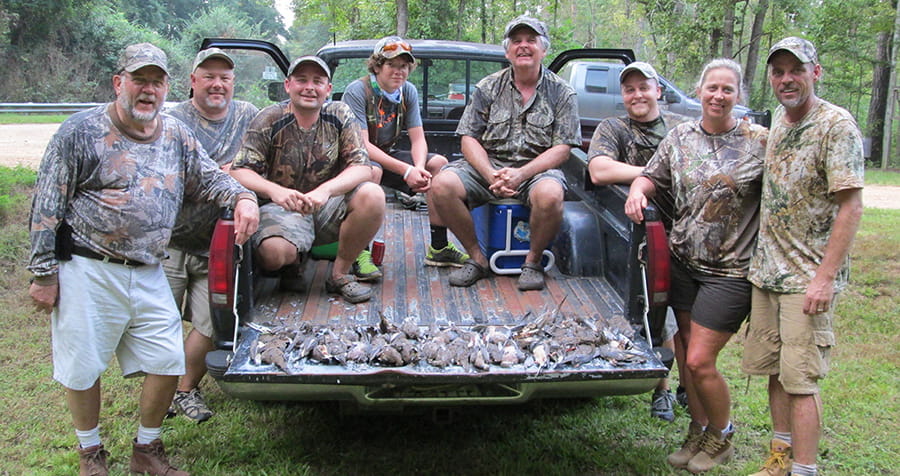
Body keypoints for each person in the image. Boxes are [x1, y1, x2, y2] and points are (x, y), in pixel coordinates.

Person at [26, 43, 259, 476]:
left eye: (156, 81)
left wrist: (243, 197)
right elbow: (46, 206)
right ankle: (90, 454)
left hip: (150, 266)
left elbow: (211, 178)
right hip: (87, 266)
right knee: (83, 366)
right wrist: (43, 273)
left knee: (168, 360)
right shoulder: (79, 132)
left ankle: (146, 450)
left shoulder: (175, 134)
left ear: (167, 87)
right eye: (139, 80)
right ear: (119, 83)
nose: (148, 90)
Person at [624, 58, 767, 473]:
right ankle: (698, 430)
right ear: (699, 91)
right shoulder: (680, 136)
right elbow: (651, 176)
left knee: (701, 361)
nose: (718, 96)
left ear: (738, 95)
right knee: (688, 360)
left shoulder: (759, 140)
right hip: (685, 261)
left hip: (731, 271)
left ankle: (722, 435)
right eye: (711, 88)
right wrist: (637, 191)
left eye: (727, 89)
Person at [743, 37, 864, 476]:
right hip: (768, 273)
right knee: (776, 372)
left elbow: (851, 205)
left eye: (796, 69)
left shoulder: (836, 125)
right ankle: (780, 459)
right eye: (778, 72)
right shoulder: (779, 117)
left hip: (805, 280)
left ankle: (805, 470)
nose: (786, 79)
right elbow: (775, 147)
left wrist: (824, 278)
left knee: (801, 381)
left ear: (816, 72)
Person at [430, 15, 581, 291]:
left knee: (551, 195)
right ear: (507, 50)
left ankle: (532, 263)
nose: (523, 46)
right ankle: (478, 260)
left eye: (531, 41)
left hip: (536, 171)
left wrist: (521, 174)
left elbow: (563, 148)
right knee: (441, 185)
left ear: (543, 49)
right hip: (489, 167)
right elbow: (468, 139)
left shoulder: (562, 93)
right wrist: (490, 174)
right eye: (516, 41)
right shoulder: (488, 87)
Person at [230, 56, 385, 304]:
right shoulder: (269, 118)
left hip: (326, 205)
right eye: (301, 80)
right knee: (273, 254)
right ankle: (292, 262)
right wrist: (275, 192)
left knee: (373, 194)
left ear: (328, 89)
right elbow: (239, 170)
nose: (309, 87)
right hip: (282, 208)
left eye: (317, 81)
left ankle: (340, 275)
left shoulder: (339, 114)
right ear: (288, 85)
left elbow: (362, 167)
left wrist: (325, 191)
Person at [587, 61, 690, 423]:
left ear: (658, 90)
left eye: (644, 87)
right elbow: (599, 170)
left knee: (692, 315)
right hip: (647, 234)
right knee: (659, 314)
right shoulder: (614, 128)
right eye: (629, 89)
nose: (637, 95)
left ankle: (688, 387)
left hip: (694, 232)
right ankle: (661, 390)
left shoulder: (683, 128)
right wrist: (655, 175)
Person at [164, 48, 260, 423]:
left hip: (217, 246)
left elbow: (259, 161)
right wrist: (224, 175)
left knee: (209, 325)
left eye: (225, 77)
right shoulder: (172, 121)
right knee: (159, 323)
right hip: (170, 241)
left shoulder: (249, 115)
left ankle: (184, 391)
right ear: (193, 81)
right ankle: (160, 390)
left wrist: (234, 170)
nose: (218, 84)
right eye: (209, 76)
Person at [342, 36, 468, 279]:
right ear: (377, 66)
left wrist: (419, 168)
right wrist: (406, 171)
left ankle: (439, 247)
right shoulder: (358, 91)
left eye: (404, 66)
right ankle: (359, 253)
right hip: (356, 157)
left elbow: (418, 138)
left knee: (437, 164)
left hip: (387, 153)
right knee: (372, 171)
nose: (398, 72)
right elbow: (363, 145)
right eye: (392, 65)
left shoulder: (407, 91)